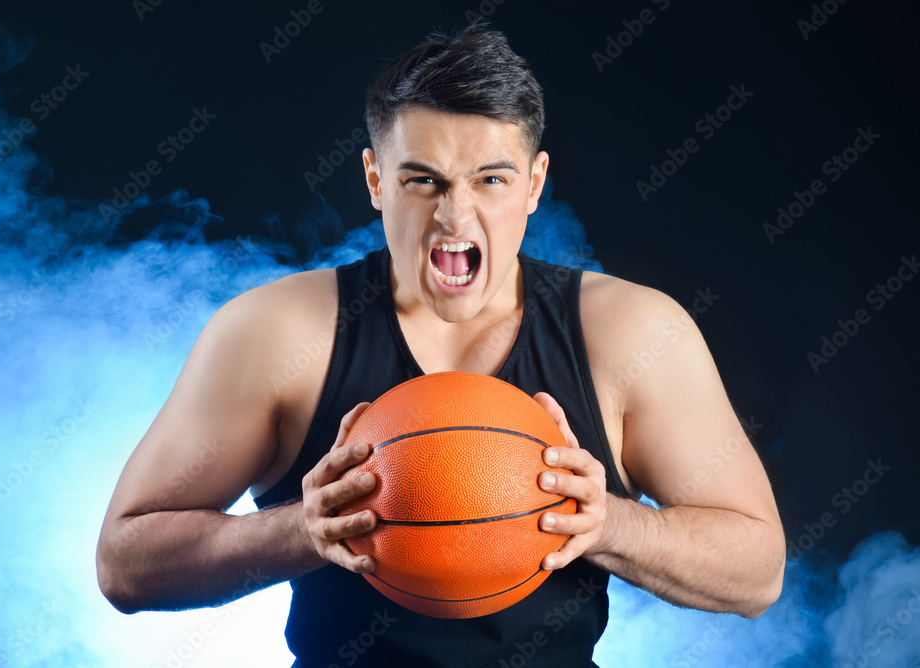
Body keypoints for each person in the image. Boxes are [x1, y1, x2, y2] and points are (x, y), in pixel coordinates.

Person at [96, 24, 785, 667]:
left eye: (491, 179)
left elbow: (758, 571)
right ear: (374, 181)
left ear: (535, 184)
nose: (455, 215)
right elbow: (124, 565)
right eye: (422, 180)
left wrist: (611, 527)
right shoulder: (273, 333)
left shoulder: (633, 334)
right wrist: (301, 531)